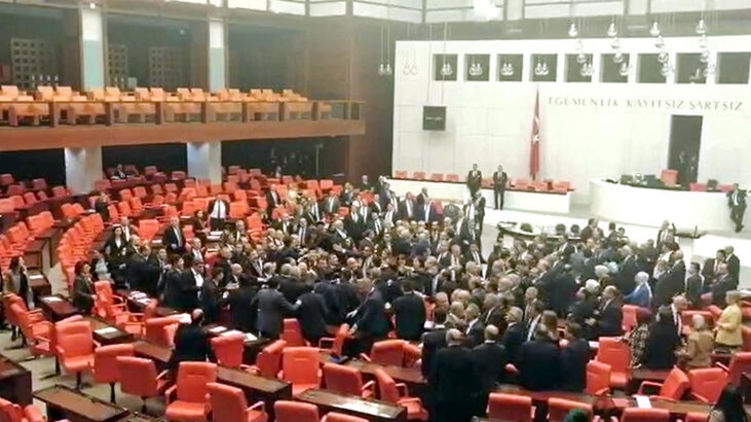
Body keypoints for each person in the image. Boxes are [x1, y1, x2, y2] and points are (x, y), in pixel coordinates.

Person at [430, 329, 478, 422]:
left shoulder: (440, 354)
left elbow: (433, 377)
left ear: (447, 339)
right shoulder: (469, 354)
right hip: (463, 400)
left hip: (444, 398)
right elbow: (474, 377)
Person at [471, 325, 507, 414]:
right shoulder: (502, 350)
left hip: (480, 386)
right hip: (496, 384)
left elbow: (474, 369)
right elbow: (502, 366)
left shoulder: (477, 350)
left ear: (485, 334)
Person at [518, 324, 560, 391]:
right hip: (547, 385)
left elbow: (519, 363)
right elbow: (557, 368)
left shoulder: (525, 346)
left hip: (526, 384)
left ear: (535, 334)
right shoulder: (554, 349)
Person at [559, 323, 589, 392]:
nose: (564, 332)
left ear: (571, 334)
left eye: (566, 330)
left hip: (569, 384)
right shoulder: (584, 343)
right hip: (581, 381)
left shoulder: (569, 349)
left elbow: (562, 366)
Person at [421, 308, 448, 377]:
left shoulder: (428, 337)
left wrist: (424, 375)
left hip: (432, 373)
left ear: (434, 318)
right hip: (446, 372)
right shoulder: (450, 335)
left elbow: (425, 358)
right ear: (446, 319)